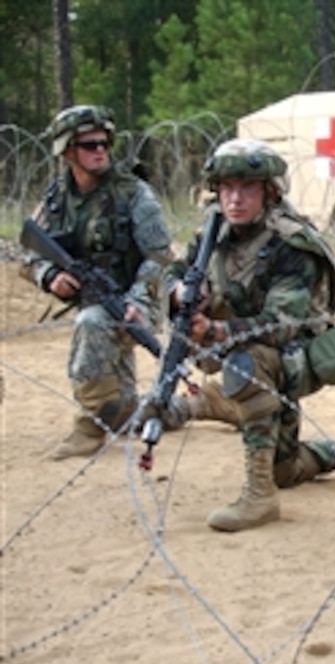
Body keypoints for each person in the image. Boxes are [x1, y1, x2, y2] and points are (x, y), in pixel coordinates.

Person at [166, 138, 335, 532]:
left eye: (247, 188)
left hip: (295, 355)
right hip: (247, 351)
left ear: (270, 191)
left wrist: (216, 328)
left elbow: (282, 324)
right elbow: (178, 272)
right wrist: (180, 293)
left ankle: (258, 496)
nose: (235, 199)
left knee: (245, 364)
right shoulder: (214, 231)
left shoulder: (290, 243)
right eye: (227, 188)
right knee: (287, 468)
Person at [20, 104, 236, 461]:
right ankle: (199, 405)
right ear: (67, 151)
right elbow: (28, 254)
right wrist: (51, 276)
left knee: (91, 325)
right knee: (125, 413)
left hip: (140, 296)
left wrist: (137, 299)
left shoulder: (133, 194)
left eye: (105, 142)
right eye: (90, 145)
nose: (101, 150)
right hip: (94, 295)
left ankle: (88, 428)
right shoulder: (57, 199)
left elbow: (161, 255)